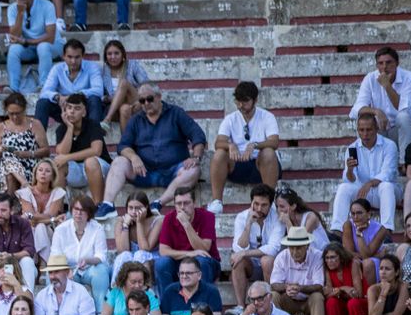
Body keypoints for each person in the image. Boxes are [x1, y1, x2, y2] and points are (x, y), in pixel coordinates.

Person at [96, 86, 206, 218]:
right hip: (144, 172)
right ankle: (108, 204)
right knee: (119, 161)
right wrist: (134, 157)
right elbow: (123, 145)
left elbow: (198, 135)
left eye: (149, 99)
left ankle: (158, 203)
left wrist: (196, 157)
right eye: (142, 101)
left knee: (194, 169)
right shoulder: (136, 120)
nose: (146, 104)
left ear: (159, 97)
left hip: (174, 171)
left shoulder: (176, 113)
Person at [208, 81, 281, 214]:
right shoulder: (230, 119)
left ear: (255, 100)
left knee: (269, 153)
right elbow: (219, 142)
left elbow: (274, 142)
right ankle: (217, 202)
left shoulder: (267, 117)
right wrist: (230, 145)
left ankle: (270, 201)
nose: (241, 105)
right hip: (238, 165)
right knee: (219, 154)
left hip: (261, 166)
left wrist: (255, 145)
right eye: (238, 101)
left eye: (245, 101)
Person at [330, 113, 398, 231]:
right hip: (363, 193)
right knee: (343, 188)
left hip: (384, 192)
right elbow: (350, 180)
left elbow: (388, 173)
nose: (365, 134)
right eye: (361, 130)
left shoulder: (389, 145)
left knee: (386, 186)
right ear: (358, 130)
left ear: (376, 129)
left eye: (369, 130)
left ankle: (386, 229)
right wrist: (350, 170)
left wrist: (370, 183)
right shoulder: (352, 148)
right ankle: (337, 229)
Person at [349, 46, 411, 152]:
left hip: (403, 130)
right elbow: (355, 110)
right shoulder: (370, 78)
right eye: (380, 63)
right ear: (377, 65)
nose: (384, 67)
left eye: (389, 62)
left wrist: (387, 86)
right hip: (381, 129)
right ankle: (365, 162)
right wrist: (376, 111)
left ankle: (406, 163)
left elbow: (404, 108)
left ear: (397, 63)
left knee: (403, 117)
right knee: (362, 121)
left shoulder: (409, 77)